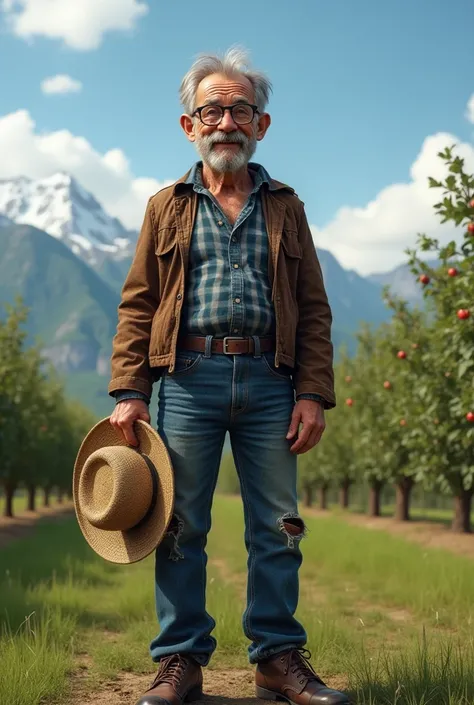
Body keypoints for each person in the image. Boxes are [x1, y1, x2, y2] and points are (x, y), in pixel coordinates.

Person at [109, 47, 349, 705]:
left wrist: (312, 392)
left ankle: (277, 657)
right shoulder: (166, 206)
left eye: (241, 109)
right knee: (179, 524)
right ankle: (179, 662)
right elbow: (138, 302)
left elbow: (316, 307)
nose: (226, 121)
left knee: (278, 525)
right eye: (211, 109)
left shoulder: (286, 206)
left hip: (273, 381)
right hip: (186, 378)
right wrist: (130, 391)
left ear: (261, 125)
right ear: (189, 125)